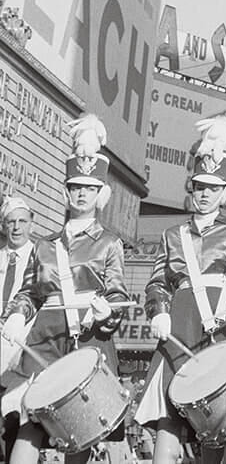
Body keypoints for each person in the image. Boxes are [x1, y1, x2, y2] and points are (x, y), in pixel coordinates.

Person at [134, 116, 226, 464]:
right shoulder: (172, 235)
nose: (204, 194)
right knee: (168, 414)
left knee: (216, 415)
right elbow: (157, 282)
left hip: (219, 325)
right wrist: (158, 310)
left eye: (212, 187)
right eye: (199, 186)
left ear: (225, 191)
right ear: (191, 187)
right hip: (178, 323)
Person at [0, 114, 129, 464]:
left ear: (100, 193)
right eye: (75, 187)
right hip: (45, 338)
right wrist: (15, 314)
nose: (81, 194)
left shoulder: (109, 243)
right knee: (30, 424)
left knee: (80, 431)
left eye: (88, 188)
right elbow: (30, 293)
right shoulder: (44, 244)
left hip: (88, 338)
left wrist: (107, 315)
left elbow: (117, 296)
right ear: (66, 191)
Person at [0, 197, 35, 460]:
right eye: (11, 222)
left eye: (22, 221)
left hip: (22, 349)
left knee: (14, 418)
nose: (16, 228)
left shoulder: (40, 259)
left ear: (31, 224)